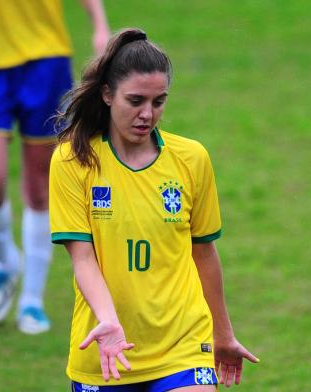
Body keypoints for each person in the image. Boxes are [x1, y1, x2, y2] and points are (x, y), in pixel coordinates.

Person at [49, 28, 259, 391]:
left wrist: (222, 334)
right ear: (107, 95)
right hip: (106, 352)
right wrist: (109, 321)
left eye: (158, 101)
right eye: (136, 101)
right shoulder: (73, 161)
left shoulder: (191, 159)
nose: (148, 114)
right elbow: (82, 258)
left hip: (182, 343)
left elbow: (204, 252)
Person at [0, 0, 110, 334]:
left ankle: (31, 300)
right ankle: (6, 261)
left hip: (45, 57)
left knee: (41, 185)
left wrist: (99, 23)